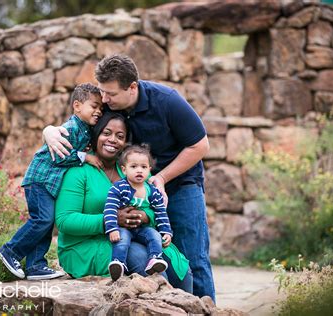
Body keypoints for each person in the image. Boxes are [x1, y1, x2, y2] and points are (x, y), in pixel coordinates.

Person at [44, 54, 215, 300]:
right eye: (102, 92)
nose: (104, 99)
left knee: (193, 259)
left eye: (110, 94)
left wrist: (161, 179)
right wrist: (48, 131)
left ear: (132, 87)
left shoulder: (167, 101)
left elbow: (200, 146)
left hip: (181, 184)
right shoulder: (113, 110)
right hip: (141, 190)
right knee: (153, 256)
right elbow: (80, 122)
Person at [55, 112, 192, 292]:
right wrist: (110, 219)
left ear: (125, 141)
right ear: (96, 134)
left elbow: (153, 207)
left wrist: (143, 216)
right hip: (86, 244)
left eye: (120, 136)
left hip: (135, 234)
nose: (112, 140)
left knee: (180, 269)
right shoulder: (79, 172)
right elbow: (65, 220)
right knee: (145, 263)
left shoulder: (134, 169)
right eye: (106, 133)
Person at [0, 83, 103, 280]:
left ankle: (35, 265)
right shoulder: (69, 128)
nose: (98, 111)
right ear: (77, 106)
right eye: (94, 106)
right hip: (40, 180)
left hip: (48, 184)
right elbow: (60, 156)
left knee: (47, 222)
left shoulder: (84, 130)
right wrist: (85, 157)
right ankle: (10, 251)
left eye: (100, 108)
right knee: (42, 219)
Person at [105, 144, 172, 281]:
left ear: (149, 170)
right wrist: (112, 229)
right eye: (134, 166)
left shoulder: (152, 191)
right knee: (121, 240)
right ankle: (118, 263)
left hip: (143, 229)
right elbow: (110, 208)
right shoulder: (119, 188)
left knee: (154, 235)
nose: (139, 170)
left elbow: (160, 212)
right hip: (124, 228)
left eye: (143, 167)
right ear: (124, 170)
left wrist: (166, 231)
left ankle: (154, 259)